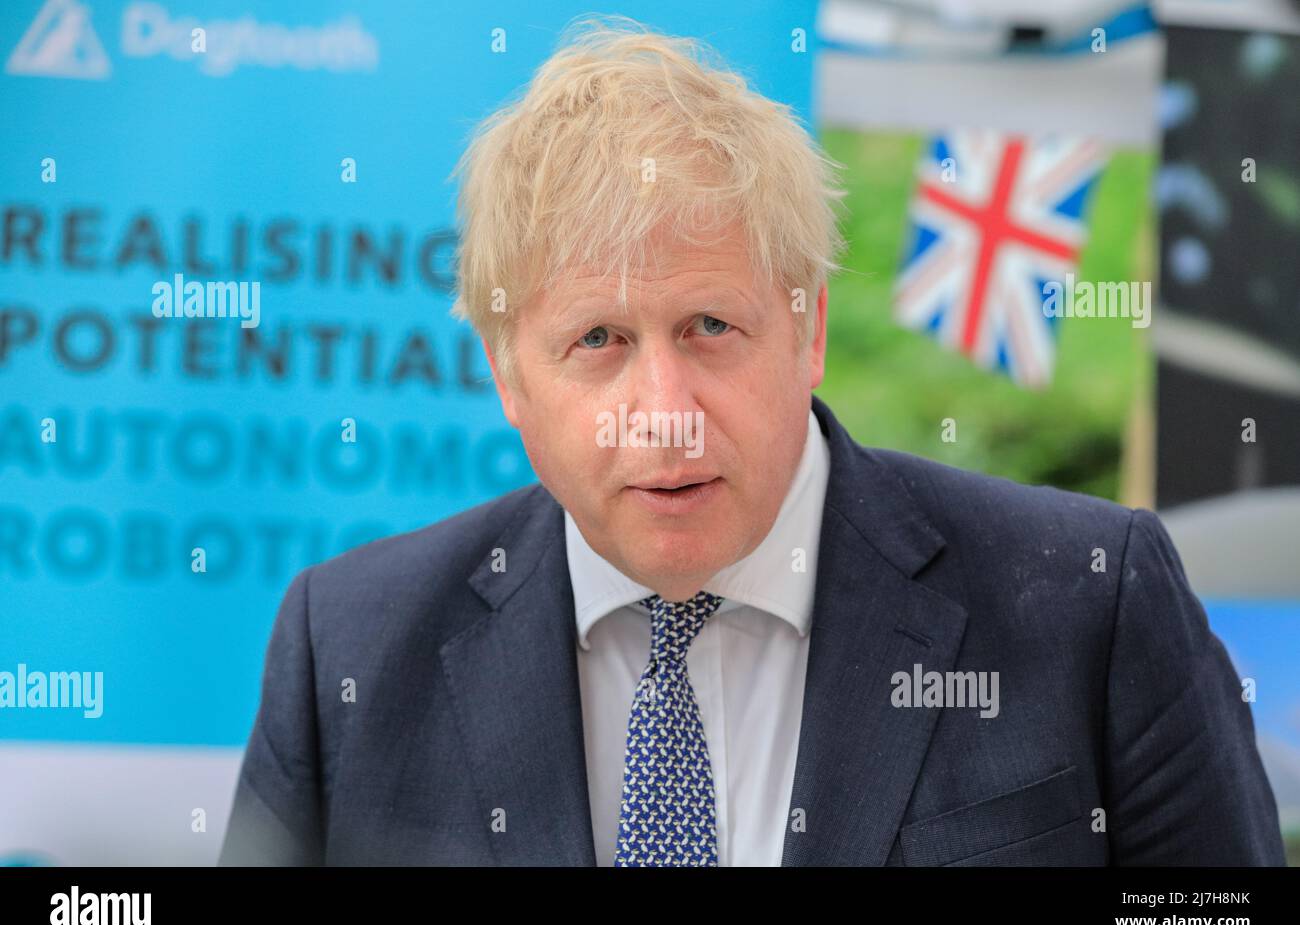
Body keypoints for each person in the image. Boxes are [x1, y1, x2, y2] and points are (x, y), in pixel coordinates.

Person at [218, 19, 1285, 867]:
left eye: (710, 327)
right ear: (507, 372)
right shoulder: (348, 652)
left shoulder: (1087, 603)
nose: (665, 407)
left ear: (809, 329)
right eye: (596, 339)